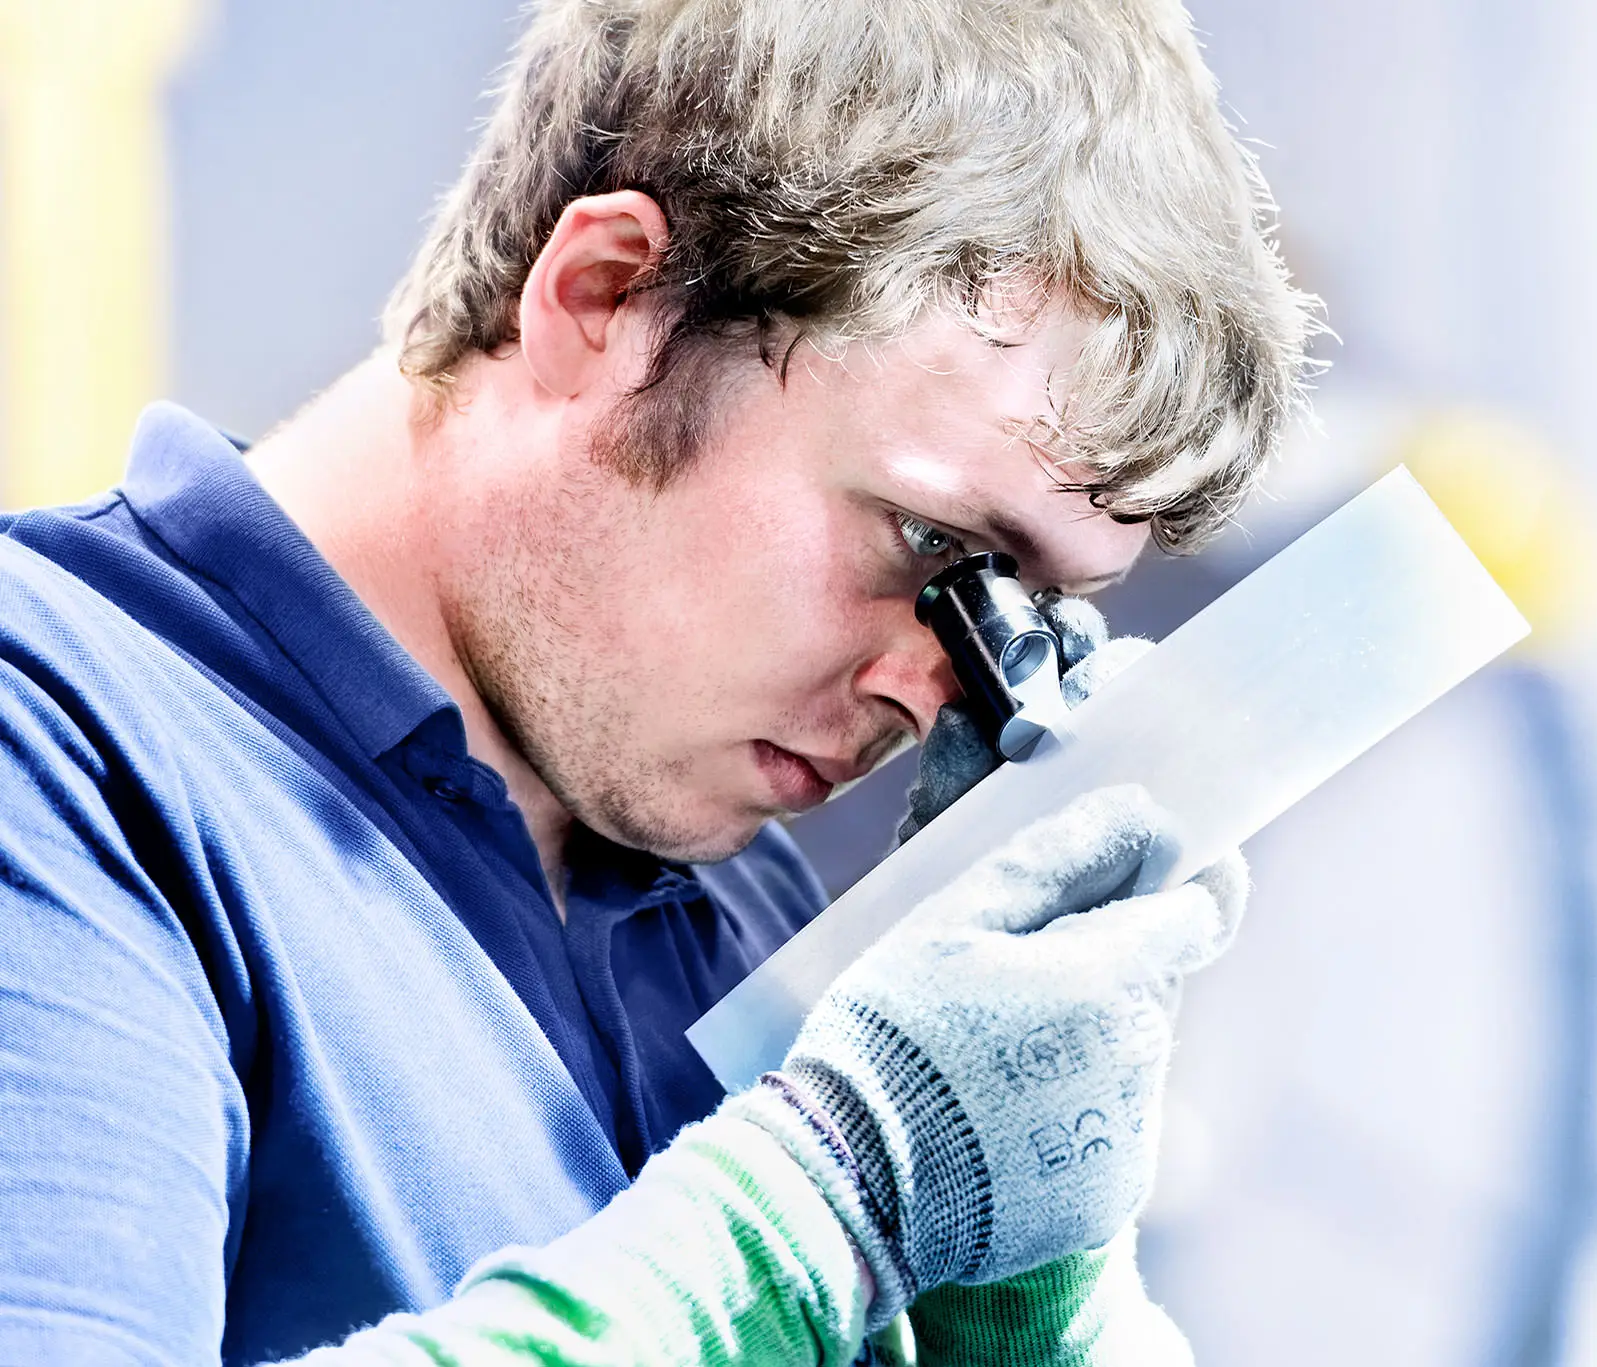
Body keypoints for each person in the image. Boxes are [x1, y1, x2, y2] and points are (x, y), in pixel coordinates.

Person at [0, 0, 1315, 1362]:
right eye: (929, 544)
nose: (937, 696)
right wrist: (833, 1193)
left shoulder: (735, 906)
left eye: (1017, 609)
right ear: (608, 297)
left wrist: (1018, 1296)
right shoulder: (55, 747)